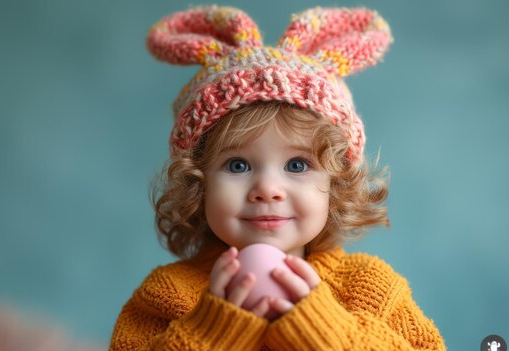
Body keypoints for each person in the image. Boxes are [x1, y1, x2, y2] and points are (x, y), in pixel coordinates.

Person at [110, 5, 445, 350]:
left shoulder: (369, 288)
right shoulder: (169, 294)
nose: (267, 190)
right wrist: (210, 330)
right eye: (238, 165)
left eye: (297, 165)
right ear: (199, 183)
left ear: (337, 183)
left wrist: (327, 330)